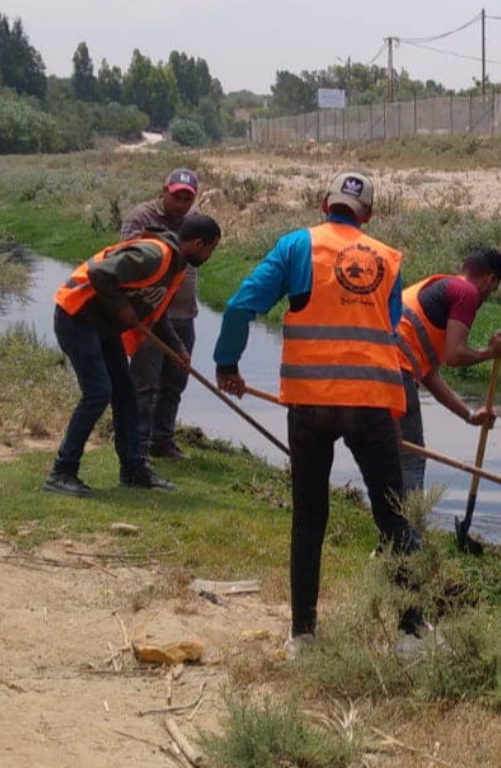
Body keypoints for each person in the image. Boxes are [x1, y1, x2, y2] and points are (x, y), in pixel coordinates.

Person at [212, 170, 429, 659]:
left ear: (321, 203)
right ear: (368, 215)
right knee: (394, 518)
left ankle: (303, 636)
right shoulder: (389, 260)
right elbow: (389, 325)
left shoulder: (296, 247)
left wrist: (228, 364)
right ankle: (412, 634)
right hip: (370, 403)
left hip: (309, 403)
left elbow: (239, 306)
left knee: (309, 518)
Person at [42, 214, 222, 498]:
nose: (209, 256)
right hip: (76, 316)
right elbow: (99, 274)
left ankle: (134, 470)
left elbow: (155, 312)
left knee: (125, 392)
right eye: (210, 249)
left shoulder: (176, 268)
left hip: (102, 324)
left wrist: (177, 349)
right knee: (98, 392)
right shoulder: (153, 254)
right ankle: (62, 472)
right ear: (198, 243)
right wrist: (121, 306)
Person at [395, 246, 501, 493]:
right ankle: (407, 527)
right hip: (394, 372)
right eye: (493, 289)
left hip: (374, 366)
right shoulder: (466, 292)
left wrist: (468, 416)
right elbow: (454, 355)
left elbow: (429, 375)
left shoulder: (440, 288)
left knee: (389, 450)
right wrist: (491, 352)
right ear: (489, 280)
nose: (488, 295)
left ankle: (392, 521)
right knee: (410, 458)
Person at [122, 168, 201, 460]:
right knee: (145, 383)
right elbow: (127, 263)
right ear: (164, 191)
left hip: (185, 314)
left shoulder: (193, 223)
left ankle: (162, 440)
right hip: (150, 316)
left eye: (187, 198)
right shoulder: (141, 218)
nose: (181, 203)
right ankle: (137, 443)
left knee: (175, 381)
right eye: (176, 196)